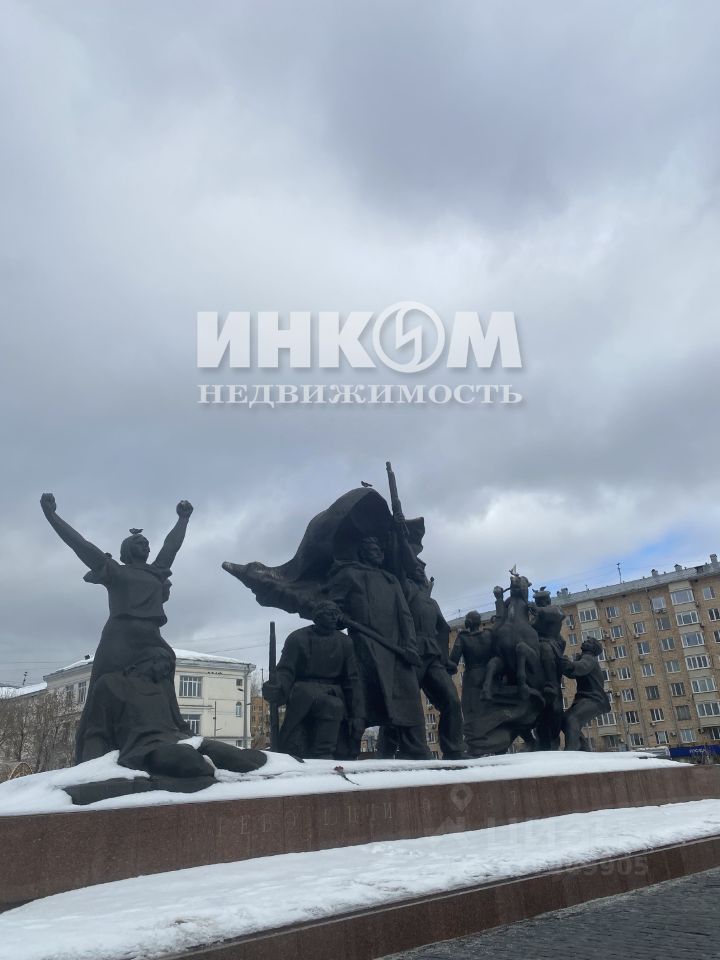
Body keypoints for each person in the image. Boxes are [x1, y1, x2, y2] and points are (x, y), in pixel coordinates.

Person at [40, 492, 194, 760]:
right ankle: (92, 751)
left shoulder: (156, 571)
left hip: (151, 637)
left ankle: (172, 729)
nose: (146, 545)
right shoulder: (115, 570)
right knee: (100, 689)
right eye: (140, 542)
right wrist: (52, 516)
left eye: (147, 543)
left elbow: (171, 546)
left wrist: (183, 519)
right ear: (127, 549)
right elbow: (81, 545)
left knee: (164, 673)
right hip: (119, 638)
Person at [82, 649, 266, 777]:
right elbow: (97, 731)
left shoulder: (163, 687)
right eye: (164, 665)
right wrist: (89, 768)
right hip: (145, 749)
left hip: (181, 739)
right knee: (188, 760)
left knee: (237, 758)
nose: (166, 670)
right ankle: (213, 777)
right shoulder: (111, 684)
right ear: (147, 661)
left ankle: (254, 775)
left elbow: (181, 724)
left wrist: (201, 743)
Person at [326, 536, 429, 760]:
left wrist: (410, 644)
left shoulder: (390, 579)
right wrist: (337, 615)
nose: (379, 552)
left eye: (380, 549)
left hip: (397, 649)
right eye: (374, 548)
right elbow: (332, 606)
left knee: (408, 697)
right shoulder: (349, 574)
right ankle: (347, 750)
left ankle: (415, 750)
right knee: (361, 699)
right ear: (363, 552)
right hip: (365, 644)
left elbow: (405, 615)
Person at [262, 601, 365, 759]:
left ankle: (324, 755)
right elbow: (286, 670)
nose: (334, 618)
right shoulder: (297, 638)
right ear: (317, 616)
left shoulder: (345, 642)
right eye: (329, 614)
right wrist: (277, 686)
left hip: (334, 692)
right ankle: (322, 756)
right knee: (331, 706)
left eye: (336, 614)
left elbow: (352, 680)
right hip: (304, 694)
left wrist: (358, 715)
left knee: (334, 705)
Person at [560, 637, 610, 750]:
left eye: (589, 642)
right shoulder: (583, 658)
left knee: (572, 719)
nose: (585, 641)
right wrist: (563, 663)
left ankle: (571, 750)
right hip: (586, 699)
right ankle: (583, 747)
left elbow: (581, 667)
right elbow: (572, 673)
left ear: (593, 648)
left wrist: (565, 662)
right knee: (565, 720)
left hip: (594, 700)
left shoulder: (589, 658)